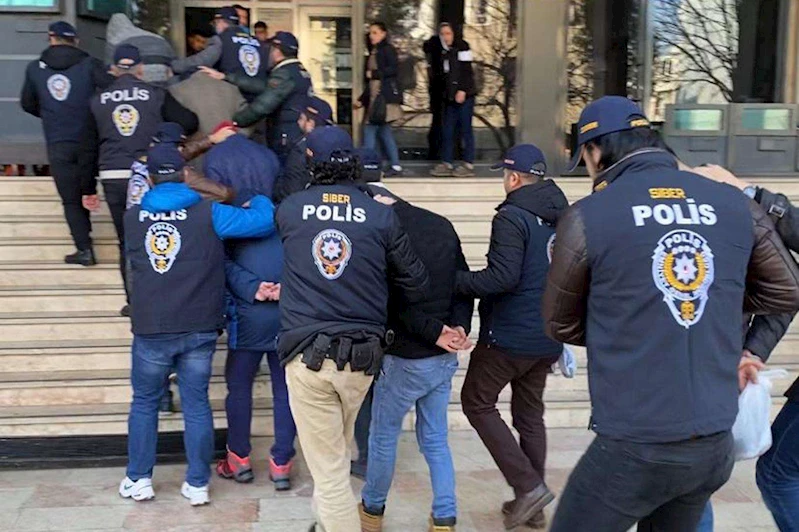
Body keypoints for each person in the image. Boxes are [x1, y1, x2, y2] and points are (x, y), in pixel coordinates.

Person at [542, 96, 799, 531]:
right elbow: (787, 289)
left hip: (635, 444)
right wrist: (711, 310)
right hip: (711, 440)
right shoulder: (734, 203)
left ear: (595, 151)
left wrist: (629, 323)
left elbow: (558, 322)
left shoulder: (588, 215)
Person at [276, 126, 429, 532]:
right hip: (362, 358)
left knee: (329, 473)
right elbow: (416, 282)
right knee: (336, 453)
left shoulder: (290, 209)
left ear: (311, 162)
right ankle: (323, 523)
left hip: (309, 357)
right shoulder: (380, 214)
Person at [119, 141, 276, 506]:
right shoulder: (210, 214)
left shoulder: (131, 218)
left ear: (151, 179)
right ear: (185, 175)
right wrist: (258, 198)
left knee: (144, 403)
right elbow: (264, 221)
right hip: (199, 326)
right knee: (196, 405)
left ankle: (139, 479)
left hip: (151, 327)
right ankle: (197, 484)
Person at [358, 153, 474, 532]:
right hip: (443, 356)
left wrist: (437, 331)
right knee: (435, 440)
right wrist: (457, 328)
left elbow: (394, 304)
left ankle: (371, 512)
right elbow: (462, 285)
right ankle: (445, 517)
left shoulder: (382, 230)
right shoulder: (439, 224)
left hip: (406, 357)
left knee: (382, 438)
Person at [454, 144, 568, 530]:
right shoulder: (562, 214)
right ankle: (532, 506)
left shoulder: (511, 216)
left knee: (476, 401)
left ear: (514, 177)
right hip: (547, 334)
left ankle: (529, 487)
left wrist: (455, 282)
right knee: (530, 415)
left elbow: (501, 278)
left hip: (508, 335)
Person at [691, 165, 799, 531]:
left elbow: (786, 289)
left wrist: (752, 350)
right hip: (669, 374)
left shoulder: (743, 228)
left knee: (693, 486)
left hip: (712, 374)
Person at [211, 135, 296, 490]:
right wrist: (283, 288)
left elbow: (223, 265)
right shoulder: (289, 219)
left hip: (247, 318)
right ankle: (281, 464)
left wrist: (253, 287)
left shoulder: (234, 222)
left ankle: (239, 459)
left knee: (239, 388)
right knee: (285, 391)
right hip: (285, 317)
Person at [88, 44, 198, 316]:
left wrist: (86, 186)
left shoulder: (97, 99)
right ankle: (163, 295)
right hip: (149, 174)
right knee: (159, 232)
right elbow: (189, 121)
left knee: (127, 239)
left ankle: (134, 301)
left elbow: (86, 144)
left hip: (113, 175)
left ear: (114, 69)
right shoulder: (156, 94)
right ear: (140, 68)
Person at [20, 21, 113, 266]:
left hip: (58, 141)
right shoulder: (91, 64)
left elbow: (27, 103)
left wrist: (51, 114)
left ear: (51, 38)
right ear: (76, 41)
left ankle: (84, 249)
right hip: (91, 140)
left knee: (71, 199)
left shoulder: (35, 68)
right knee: (95, 187)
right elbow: (113, 92)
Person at [200, 31, 312, 163]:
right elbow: (264, 87)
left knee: (285, 170)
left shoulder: (285, 73)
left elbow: (263, 106)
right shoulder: (298, 71)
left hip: (286, 135)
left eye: (270, 49)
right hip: (297, 132)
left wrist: (235, 121)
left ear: (277, 51)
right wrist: (225, 77)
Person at [171, 7, 267, 103]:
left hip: (233, 96)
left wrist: (174, 66)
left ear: (221, 22)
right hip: (259, 97)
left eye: (215, 23)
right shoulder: (259, 42)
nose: (215, 26)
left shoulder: (221, 39)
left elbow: (200, 61)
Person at [356, 22, 404, 177]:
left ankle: (368, 165)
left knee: (369, 130)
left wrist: (375, 74)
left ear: (383, 34)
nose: (371, 36)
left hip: (381, 98)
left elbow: (393, 70)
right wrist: (362, 99)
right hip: (377, 97)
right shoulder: (375, 51)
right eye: (370, 33)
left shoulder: (386, 50)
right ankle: (394, 165)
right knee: (384, 132)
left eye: (375, 32)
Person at [430, 23, 476, 178]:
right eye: (442, 34)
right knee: (447, 130)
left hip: (464, 96)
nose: (445, 37)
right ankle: (447, 162)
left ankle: (468, 163)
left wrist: (462, 90)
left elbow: (467, 71)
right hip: (449, 97)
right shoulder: (443, 51)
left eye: (448, 33)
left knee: (465, 129)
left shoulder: (462, 47)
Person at [273, 96, 334, 203]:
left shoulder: (300, 149)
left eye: (301, 118)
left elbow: (291, 189)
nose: (298, 122)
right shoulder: (335, 144)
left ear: (311, 124)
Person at [423, 32, 446, 160]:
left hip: (440, 100)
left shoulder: (436, 65)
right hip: (439, 100)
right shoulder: (437, 63)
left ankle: (436, 153)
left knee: (438, 128)